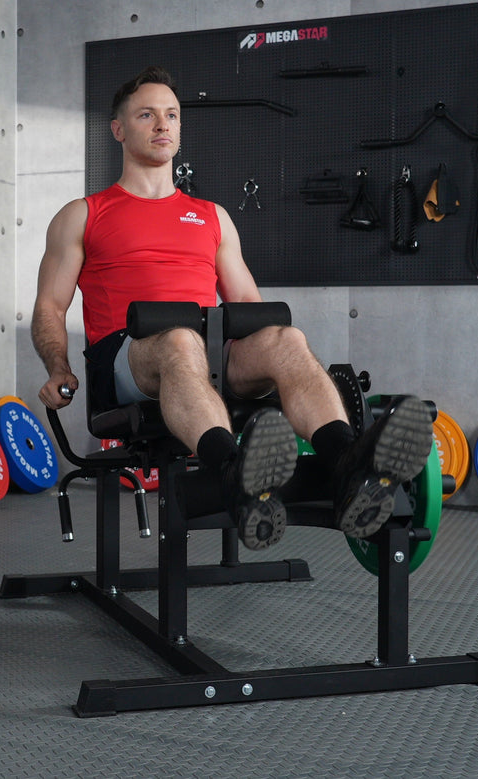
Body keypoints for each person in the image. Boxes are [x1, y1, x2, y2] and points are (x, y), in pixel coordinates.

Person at [31, 65, 433, 549]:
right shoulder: (85, 214)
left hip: (211, 350)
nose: (163, 125)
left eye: (172, 115)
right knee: (180, 341)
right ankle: (232, 475)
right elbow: (50, 306)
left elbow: (247, 305)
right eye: (146, 115)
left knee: (285, 340)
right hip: (126, 360)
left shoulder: (211, 216)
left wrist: (265, 351)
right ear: (118, 129)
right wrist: (57, 366)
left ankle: (348, 466)